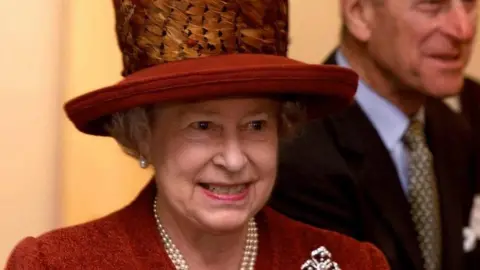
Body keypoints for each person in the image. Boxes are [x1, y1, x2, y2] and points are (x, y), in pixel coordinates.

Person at [4, 0, 391, 269]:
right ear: (142, 136)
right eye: (202, 127)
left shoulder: (351, 263)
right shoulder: (57, 264)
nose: (234, 159)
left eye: (256, 125)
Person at [269, 0, 480, 270]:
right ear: (359, 14)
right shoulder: (296, 153)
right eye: (432, 5)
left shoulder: (459, 125)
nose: (463, 30)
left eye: (470, 4)